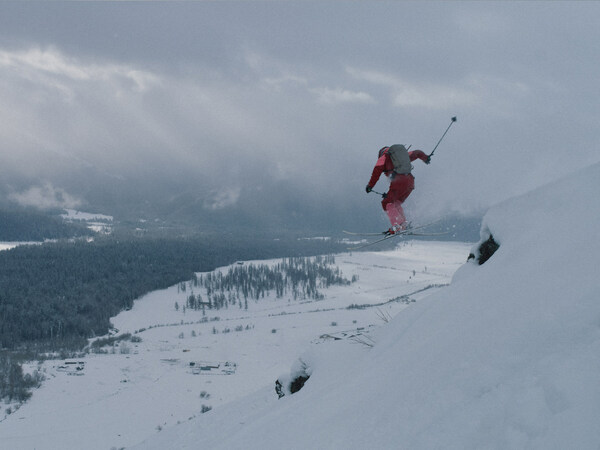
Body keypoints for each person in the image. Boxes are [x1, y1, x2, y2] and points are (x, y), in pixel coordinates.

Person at [365, 144, 430, 234]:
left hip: (399, 182)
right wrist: (426, 158)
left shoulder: (383, 157)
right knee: (396, 203)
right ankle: (404, 225)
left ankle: (396, 226)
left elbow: (376, 171)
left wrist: (370, 186)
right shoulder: (401, 156)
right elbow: (417, 153)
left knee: (387, 203)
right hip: (410, 182)